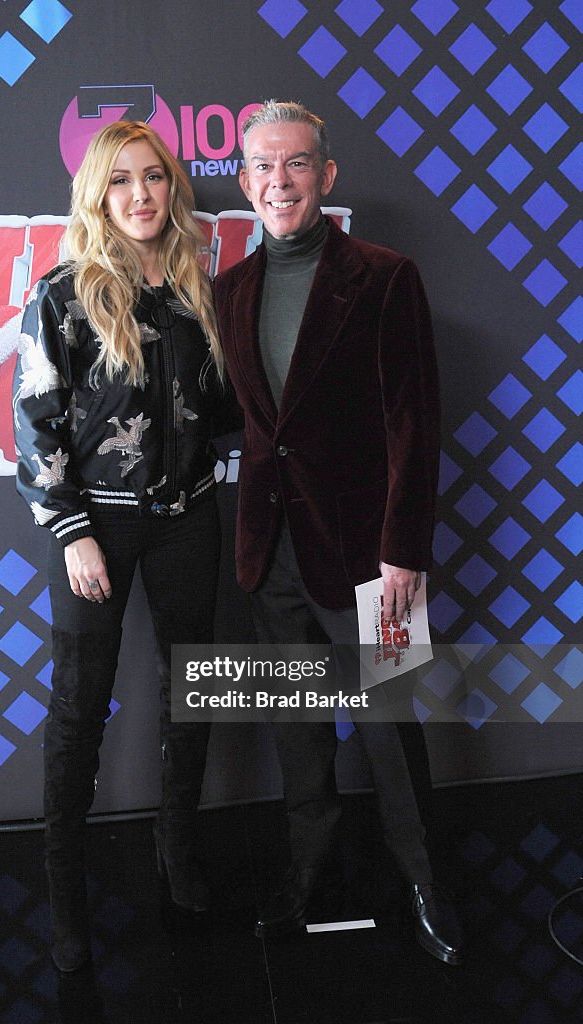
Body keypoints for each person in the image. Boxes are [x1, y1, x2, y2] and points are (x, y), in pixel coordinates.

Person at [213, 100, 464, 965]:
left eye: (295, 164)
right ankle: (308, 873)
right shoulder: (229, 289)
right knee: (295, 728)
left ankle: (429, 887)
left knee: (393, 726)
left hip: (372, 557)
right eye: (262, 167)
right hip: (267, 555)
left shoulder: (385, 276)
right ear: (244, 181)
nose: (277, 181)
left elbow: (413, 424)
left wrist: (405, 550)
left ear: (325, 175)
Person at [13, 120, 231, 972]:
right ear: (96, 196)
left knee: (195, 694)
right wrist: (70, 532)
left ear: (172, 188)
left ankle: (177, 854)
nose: (140, 194)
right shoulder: (64, 294)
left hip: (191, 519)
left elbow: (222, 413)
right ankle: (65, 891)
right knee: (78, 708)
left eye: (153, 177)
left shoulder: (195, 291)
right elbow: (37, 427)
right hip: (95, 528)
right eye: (120, 181)